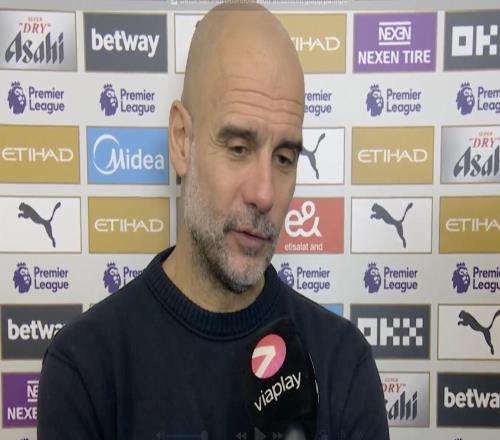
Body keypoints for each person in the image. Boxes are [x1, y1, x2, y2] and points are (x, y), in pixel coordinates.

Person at [37, 3, 389, 439]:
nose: (264, 193)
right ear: (181, 142)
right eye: (239, 148)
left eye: (284, 157)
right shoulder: (85, 368)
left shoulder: (342, 363)